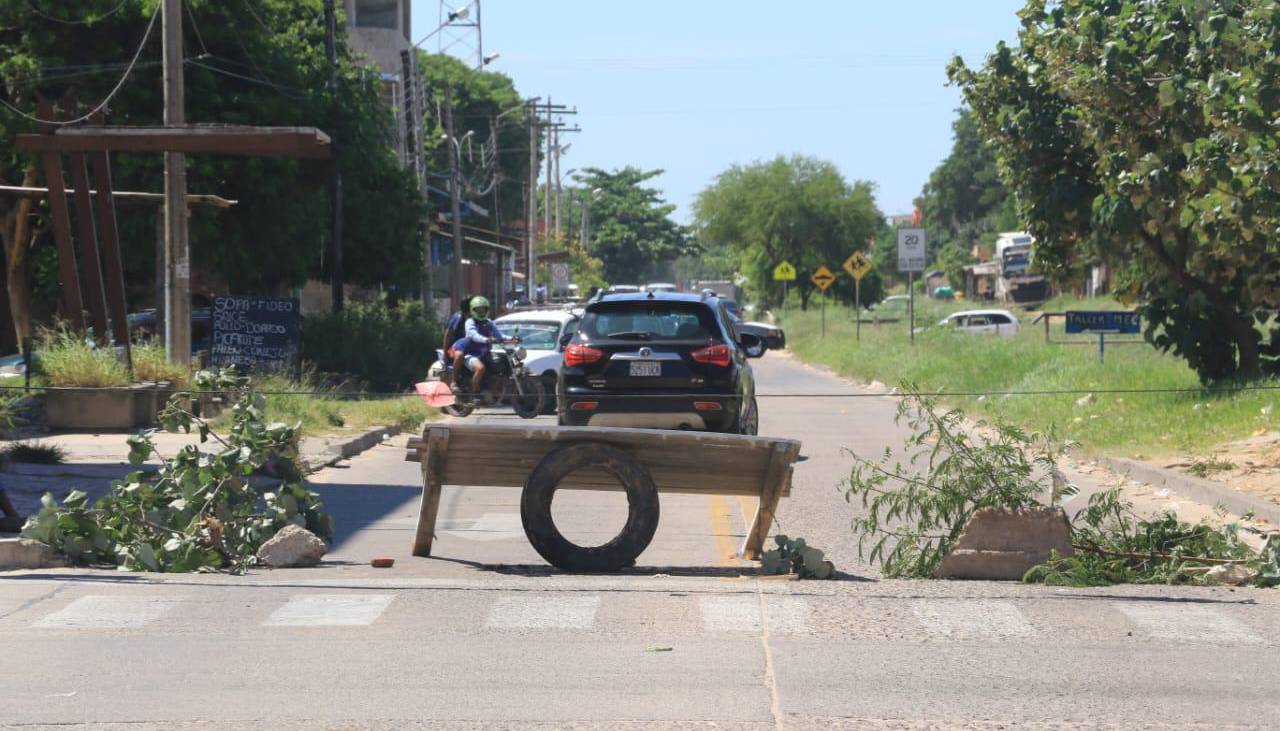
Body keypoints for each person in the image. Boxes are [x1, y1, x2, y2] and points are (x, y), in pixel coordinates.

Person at [452, 296, 506, 394]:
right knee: (480, 368)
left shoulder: (489, 322)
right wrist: (486, 339)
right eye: (478, 309)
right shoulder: (470, 322)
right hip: (470, 352)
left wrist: (512, 339)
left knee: (499, 362)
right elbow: (473, 335)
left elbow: (499, 335)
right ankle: (473, 393)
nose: (481, 311)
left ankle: (488, 386)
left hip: (483, 353)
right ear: (473, 310)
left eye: (483, 309)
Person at [440, 295, 474, 382]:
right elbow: (447, 335)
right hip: (454, 348)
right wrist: (445, 353)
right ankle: (454, 381)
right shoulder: (458, 317)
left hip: (469, 347)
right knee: (460, 355)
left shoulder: (474, 318)